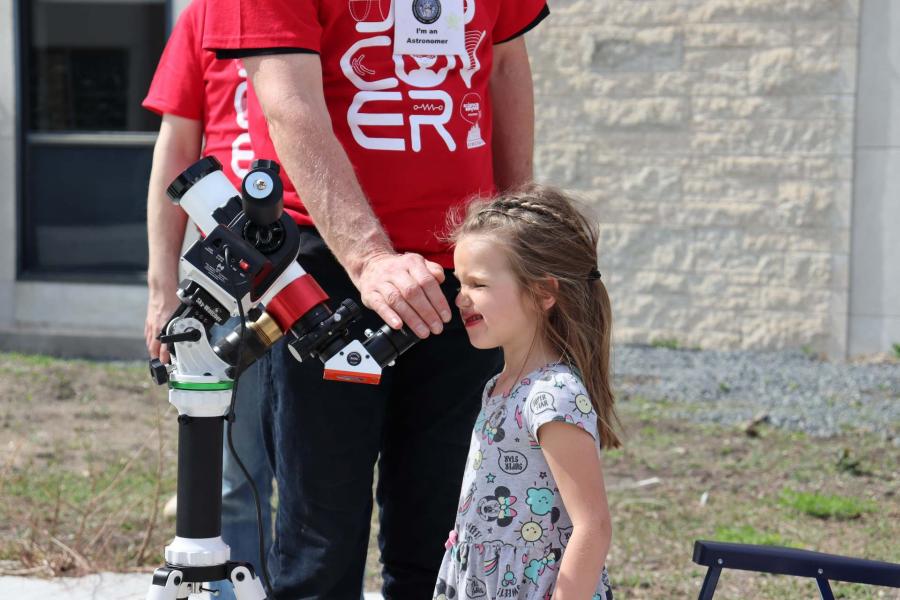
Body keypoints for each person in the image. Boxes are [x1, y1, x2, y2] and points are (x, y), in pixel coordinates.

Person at [202, 1, 549, 597]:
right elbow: (290, 104)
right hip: (325, 265)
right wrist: (370, 257)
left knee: (444, 531)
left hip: (466, 265)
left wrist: (516, 230)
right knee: (321, 539)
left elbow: (504, 64)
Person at [142, 2, 272, 598]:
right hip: (227, 287)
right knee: (229, 483)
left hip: (321, 270)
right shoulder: (208, 15)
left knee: (313, 480)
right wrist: (162, 288)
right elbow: (175, 148)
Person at [436, 186, 619, 599]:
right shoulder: (498, 388)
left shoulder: (553, 395)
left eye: (477, 284)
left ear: (543, 292)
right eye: (460, 282)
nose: (460, 298)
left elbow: (593, 526)